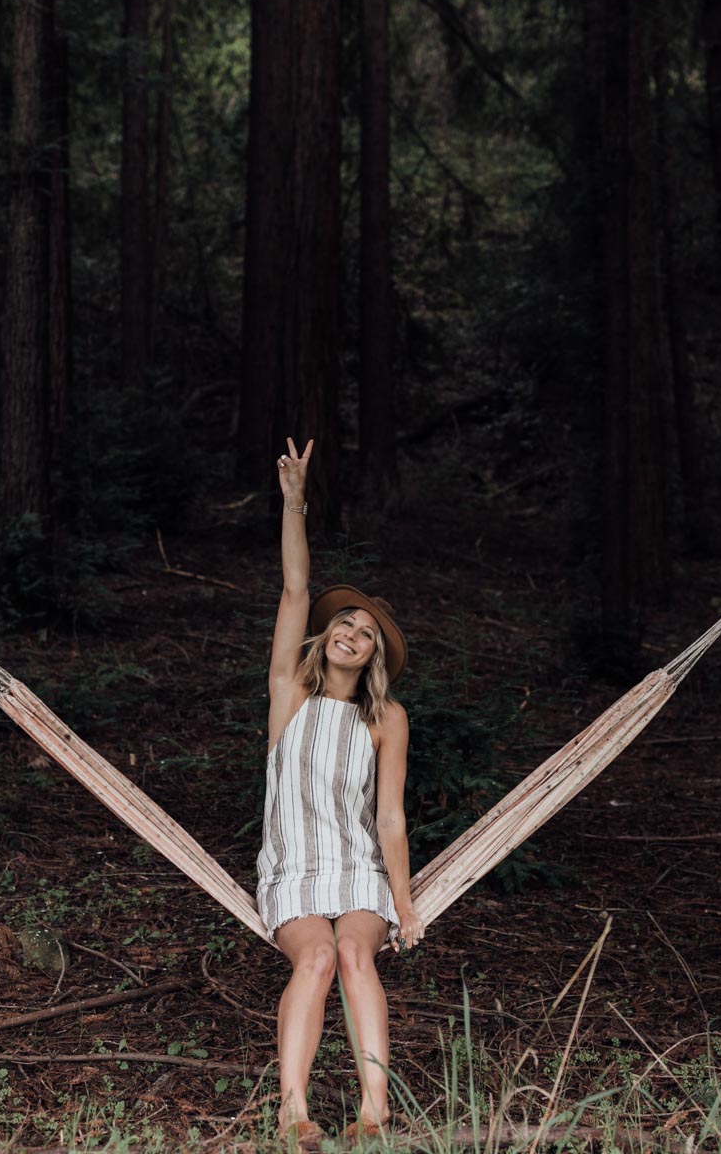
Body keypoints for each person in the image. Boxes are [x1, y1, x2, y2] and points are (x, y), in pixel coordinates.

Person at [257, 438, 424, 1150]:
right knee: (316, 958)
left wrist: (407, 907)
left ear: (374, 656)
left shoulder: (386, 718)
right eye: (345, 624)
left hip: (358, 870)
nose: (353, 633)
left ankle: (374, 1109)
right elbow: (296, 589)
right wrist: (295, 503)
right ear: (326, 637)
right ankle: (294, 1110)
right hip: (292, 869)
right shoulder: (288, 694)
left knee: (355, 955)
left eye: (366, 633)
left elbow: (389, 817)